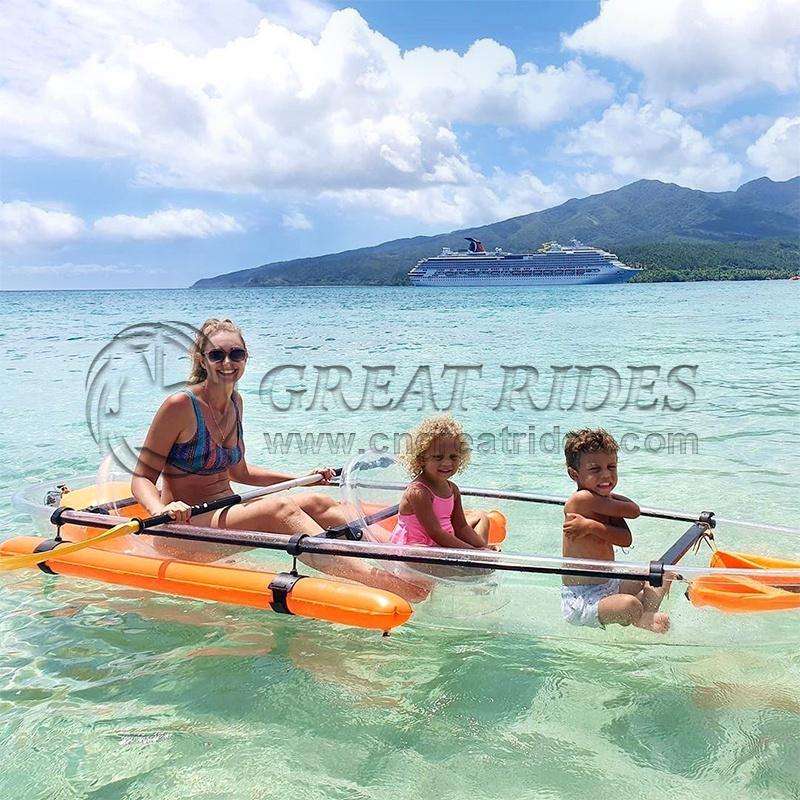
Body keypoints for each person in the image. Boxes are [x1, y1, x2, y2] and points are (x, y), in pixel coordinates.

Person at [131, 318, 350, 561]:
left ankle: (383, 561)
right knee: (278, 509)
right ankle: (373, 579)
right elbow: (142, 478)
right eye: (216, 355)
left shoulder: (235, 402)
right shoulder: (180, 405)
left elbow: (239, 472)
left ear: (246, 358)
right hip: (185, 527)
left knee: (319, 502)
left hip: (227, 513)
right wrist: (161, 509)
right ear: (202, 360)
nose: (227, 362)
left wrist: (300, 480)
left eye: (236, 354)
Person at [560, 428, 670, 633]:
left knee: (660, 573)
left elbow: (626, 538)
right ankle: (641, 615)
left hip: (610, 584)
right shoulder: (581, 499)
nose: (606, 474)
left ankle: (644, 615)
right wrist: (592, 524)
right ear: (574, 474)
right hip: (584, 597)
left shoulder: (605, 501)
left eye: (611, 467)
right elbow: (633, 511)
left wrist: (591, 526)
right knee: (630, 604)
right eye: (595, 469)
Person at [391, 414, 493, 551]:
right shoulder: (418, 492)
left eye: (453, 457)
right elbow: (436, 533)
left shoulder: (452, 489)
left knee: (482, 518)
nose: (447, 463)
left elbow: (461, 526)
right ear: (421, 459)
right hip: (418, 547)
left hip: (444, 541)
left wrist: (481, 547)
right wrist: (471, 551)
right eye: (438, 457)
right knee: (420, 549)